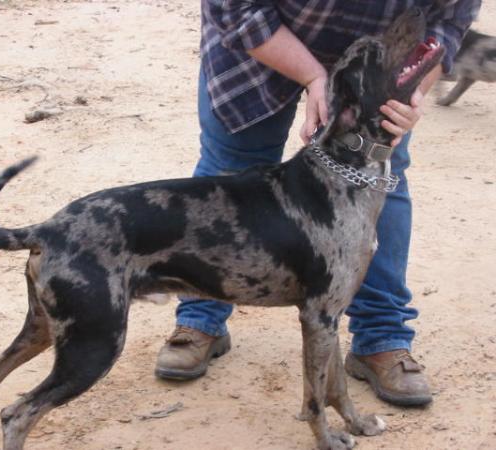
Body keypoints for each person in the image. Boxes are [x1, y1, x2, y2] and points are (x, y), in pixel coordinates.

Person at [155, 1, 481, 406]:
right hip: (263, 44)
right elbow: (237, 12)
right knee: (230, 172)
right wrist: (314, 77)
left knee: (380, 177)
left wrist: (409, 94)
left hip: (377, 62)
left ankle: (381, 336)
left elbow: (448, 24)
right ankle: (201, 316)